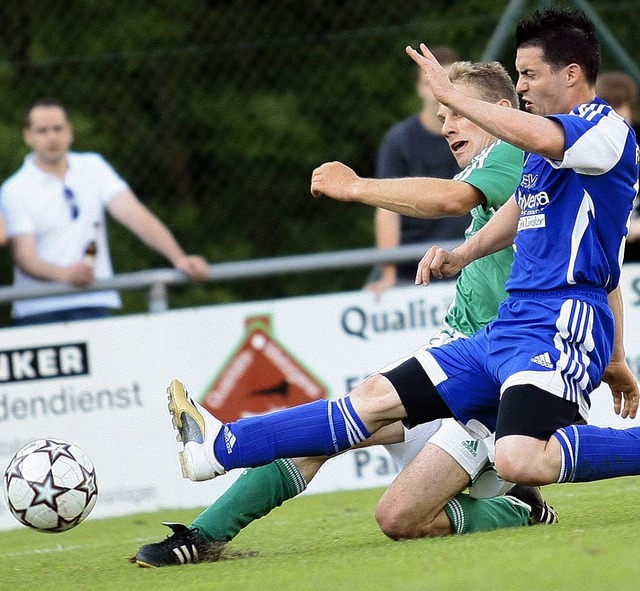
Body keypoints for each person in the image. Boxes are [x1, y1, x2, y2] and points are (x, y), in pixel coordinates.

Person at [158, 7, 640, 509]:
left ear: (571, 74)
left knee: (518, 459)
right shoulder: (547, 150)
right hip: (510, 324)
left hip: (561, 319)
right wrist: (463, 253)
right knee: (372, 401)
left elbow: (531, 143)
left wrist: (454, 96)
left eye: (529, 75)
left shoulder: (604, 131)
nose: (521, 87)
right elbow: (521, 210)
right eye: (518, 75)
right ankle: (220, 445)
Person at [133, 61, 557, 568]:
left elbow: (448, 199)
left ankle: (517, 509)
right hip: (462, 363)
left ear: (501, 112)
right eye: (443, 114)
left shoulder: (517, 153)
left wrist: (356, 186)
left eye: (458, 113)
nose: (446, 125)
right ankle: (201, 536)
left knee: (399, 518)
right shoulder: (497, 172)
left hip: (497, 383)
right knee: (330, 431)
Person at [0, 99, 210, 326]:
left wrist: (178, 257)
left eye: (58, 129)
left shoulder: (94, 167)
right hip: (40, 309)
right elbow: (24, 256)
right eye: (42, 131)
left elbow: (134, 214)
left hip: (94, 300)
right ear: (28, 135)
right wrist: (66, 276)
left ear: (69, 131)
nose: (52, 137)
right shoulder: (15, 189)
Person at [368, 46, 467, 297]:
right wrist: (389, 275)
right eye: (428, 82)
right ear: (418, 88)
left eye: (445, 81)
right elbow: (386, 207)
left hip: (470, 263)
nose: (436, 90)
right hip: (412, 273)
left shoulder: (478, 132)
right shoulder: (399, 141)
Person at [595, 71, 640, 262]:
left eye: (619, 106)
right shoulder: (586, 144)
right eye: (607, 107)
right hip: (602, 253)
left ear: (632, 108)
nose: (613, 115)